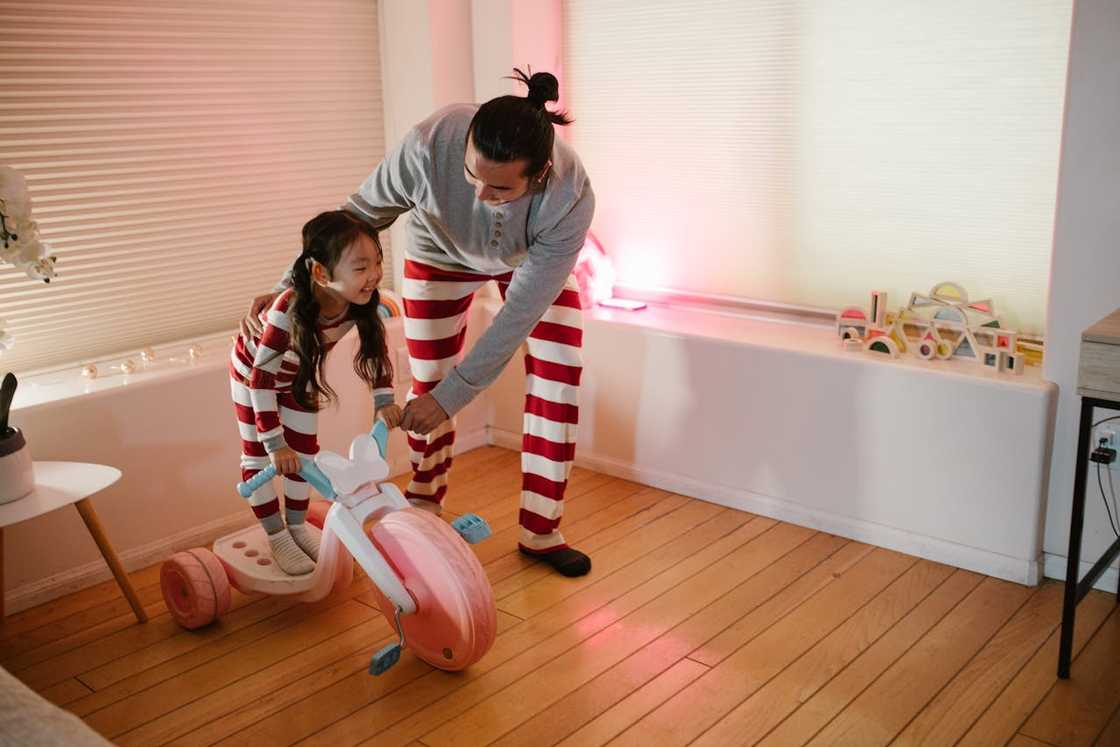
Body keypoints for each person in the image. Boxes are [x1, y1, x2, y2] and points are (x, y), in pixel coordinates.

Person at [244, 69, 594, 577]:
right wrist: (291, 285)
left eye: (499, 188)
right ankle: (424, 502)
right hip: (438, 256)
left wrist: (456, 396)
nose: (479, 194)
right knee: (428, 384)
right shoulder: (431, 143)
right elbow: (357, 217)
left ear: (538, 176)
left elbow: (518, 315)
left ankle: (541, 531)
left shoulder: (570, 198)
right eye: (473, 176)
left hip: (530, 265)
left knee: (560, 372)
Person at [231, 210, 400, 575]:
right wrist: (275, 443)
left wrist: (384, 401)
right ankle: (277, 535)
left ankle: (296, 526)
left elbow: (377, 355)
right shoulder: (287, 311)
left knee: (306, 455)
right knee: (260, 458)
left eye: (377, 262)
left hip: (298, 377)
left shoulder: (360, 304)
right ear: (321, 273)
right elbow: (261, 381)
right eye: (360, 267)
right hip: (252, 378)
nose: (373, 275)